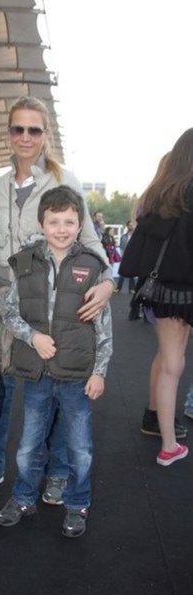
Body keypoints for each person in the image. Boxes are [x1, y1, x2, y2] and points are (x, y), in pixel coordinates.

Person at [0, 96, 115, 497]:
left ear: (46, 134)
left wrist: (108, 282)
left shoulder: (65, 182)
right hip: (8, 306)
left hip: (54, 310)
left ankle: (58, 472)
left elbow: (90, 242)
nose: (26, 137)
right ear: (9, 133)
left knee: (59, 394)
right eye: (18, 128)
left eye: (34, 129)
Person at [0, 185, 113, 537]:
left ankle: (77, 503)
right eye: (54, 221)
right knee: (28, 445)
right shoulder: (25, 262)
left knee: (80, 447)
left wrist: (99, 372)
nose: (62, 229)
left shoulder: (93, 267)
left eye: (69, 222)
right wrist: (32, 337)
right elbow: (8, 311)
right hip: (37, 373)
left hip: (77, 374)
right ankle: (23, 497)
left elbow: (104, 326)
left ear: (80, 224)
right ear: (41, 223)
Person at [120, 128, 193, 465]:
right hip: (183, 293)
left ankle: (158, 423)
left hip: (161, 292)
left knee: (167, 360)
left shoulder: (159, 198)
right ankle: (168, 445)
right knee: (173, 365)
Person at [116, 220, 136, 293]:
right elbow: (121, 247)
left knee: (132, 273)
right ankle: (118, 288)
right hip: (125, 256)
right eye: (130, 225)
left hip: (133, 256)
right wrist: (123, 256)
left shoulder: (137, 236)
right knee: (122, 272)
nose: (131, 226)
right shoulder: (123, 237)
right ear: (127, 226)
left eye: (132, 225)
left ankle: (132, 288)